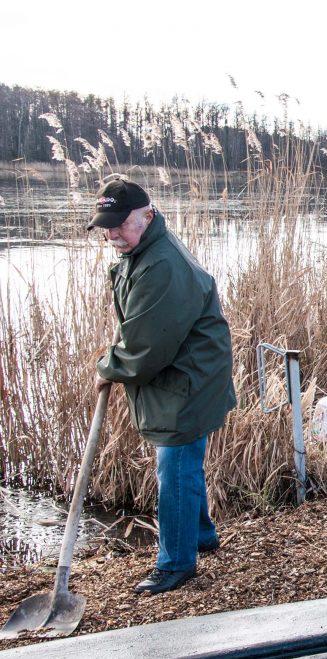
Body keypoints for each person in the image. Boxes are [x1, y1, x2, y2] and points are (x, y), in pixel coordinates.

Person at [89, 177, 235, 594]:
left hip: (189, 379)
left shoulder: (162, 265)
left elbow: (145, 350)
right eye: (106, 226)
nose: (112, 234)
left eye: (120, 223)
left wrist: (109, 367)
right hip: (186, 372)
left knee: (175, 465)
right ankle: (201, 535)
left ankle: (175, 563)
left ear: (147, 215)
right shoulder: (143, 251)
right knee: (184, 460)